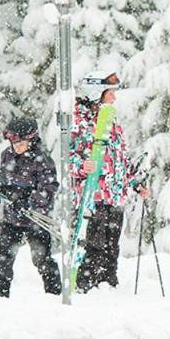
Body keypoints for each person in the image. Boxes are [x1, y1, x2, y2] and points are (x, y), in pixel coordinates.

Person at [70, 70, 148, 292]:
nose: (114, 98)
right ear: (96, 93)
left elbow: (120, 160)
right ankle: (86, 287)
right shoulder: (79, 121)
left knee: (112, 247)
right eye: (110, 93)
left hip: (114, 196)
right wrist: (82, 166)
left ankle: (108, 286)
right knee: (93, 246)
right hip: (92, 196)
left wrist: (135, 182)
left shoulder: (110, 120)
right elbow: (69, 157)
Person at [0, 117, 62, 297]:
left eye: (21, 143)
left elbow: (49, 188)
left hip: (35, 219)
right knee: (3, 257)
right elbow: (3, 178)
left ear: (32, 139)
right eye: (14, 143)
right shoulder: (7, 155)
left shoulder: (42, 160)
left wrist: (29, 202)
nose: (17, 147)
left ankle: (54, 294)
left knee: (41, 258)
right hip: (12, 217)